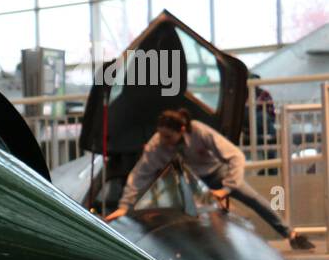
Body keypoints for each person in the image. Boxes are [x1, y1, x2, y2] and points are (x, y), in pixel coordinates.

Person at [105, 107, 314, 250]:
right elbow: (140, 175)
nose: (164, 141)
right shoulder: (157, 145)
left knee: (252, 198)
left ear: (182, 130)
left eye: (168, 137)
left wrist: (226, 189)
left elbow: (236, 156)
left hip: (216, 175)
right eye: (161, 135)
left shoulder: (200, 132)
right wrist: (125, 206)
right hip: (186, 181)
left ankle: (291, 235)